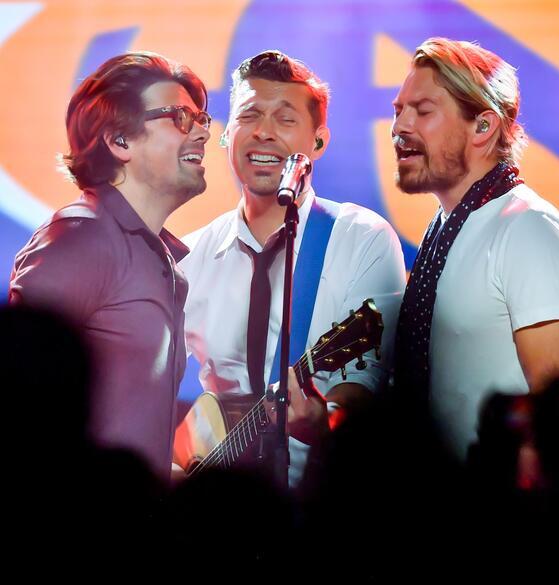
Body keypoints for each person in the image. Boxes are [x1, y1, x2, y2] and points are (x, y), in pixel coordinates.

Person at [180, 50, 406, 486]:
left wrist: (324, 421)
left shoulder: (360, 238)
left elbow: (365, 383)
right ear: (226, 135)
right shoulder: (191, 256)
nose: (264, 132)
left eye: (285, 119)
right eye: (249, 116)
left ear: (318, 142)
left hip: (323, 496)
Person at [9, 51, 211, 481]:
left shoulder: (163, 262)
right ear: (120, 141)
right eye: (180, 117)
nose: (203, 132)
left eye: (201, 119)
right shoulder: (84, 236)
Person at [392, 37, 559, 460]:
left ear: (483, 127)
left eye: (422, 111)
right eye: (398, 110)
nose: (400, 127)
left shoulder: (530, 229)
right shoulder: (443, 228)